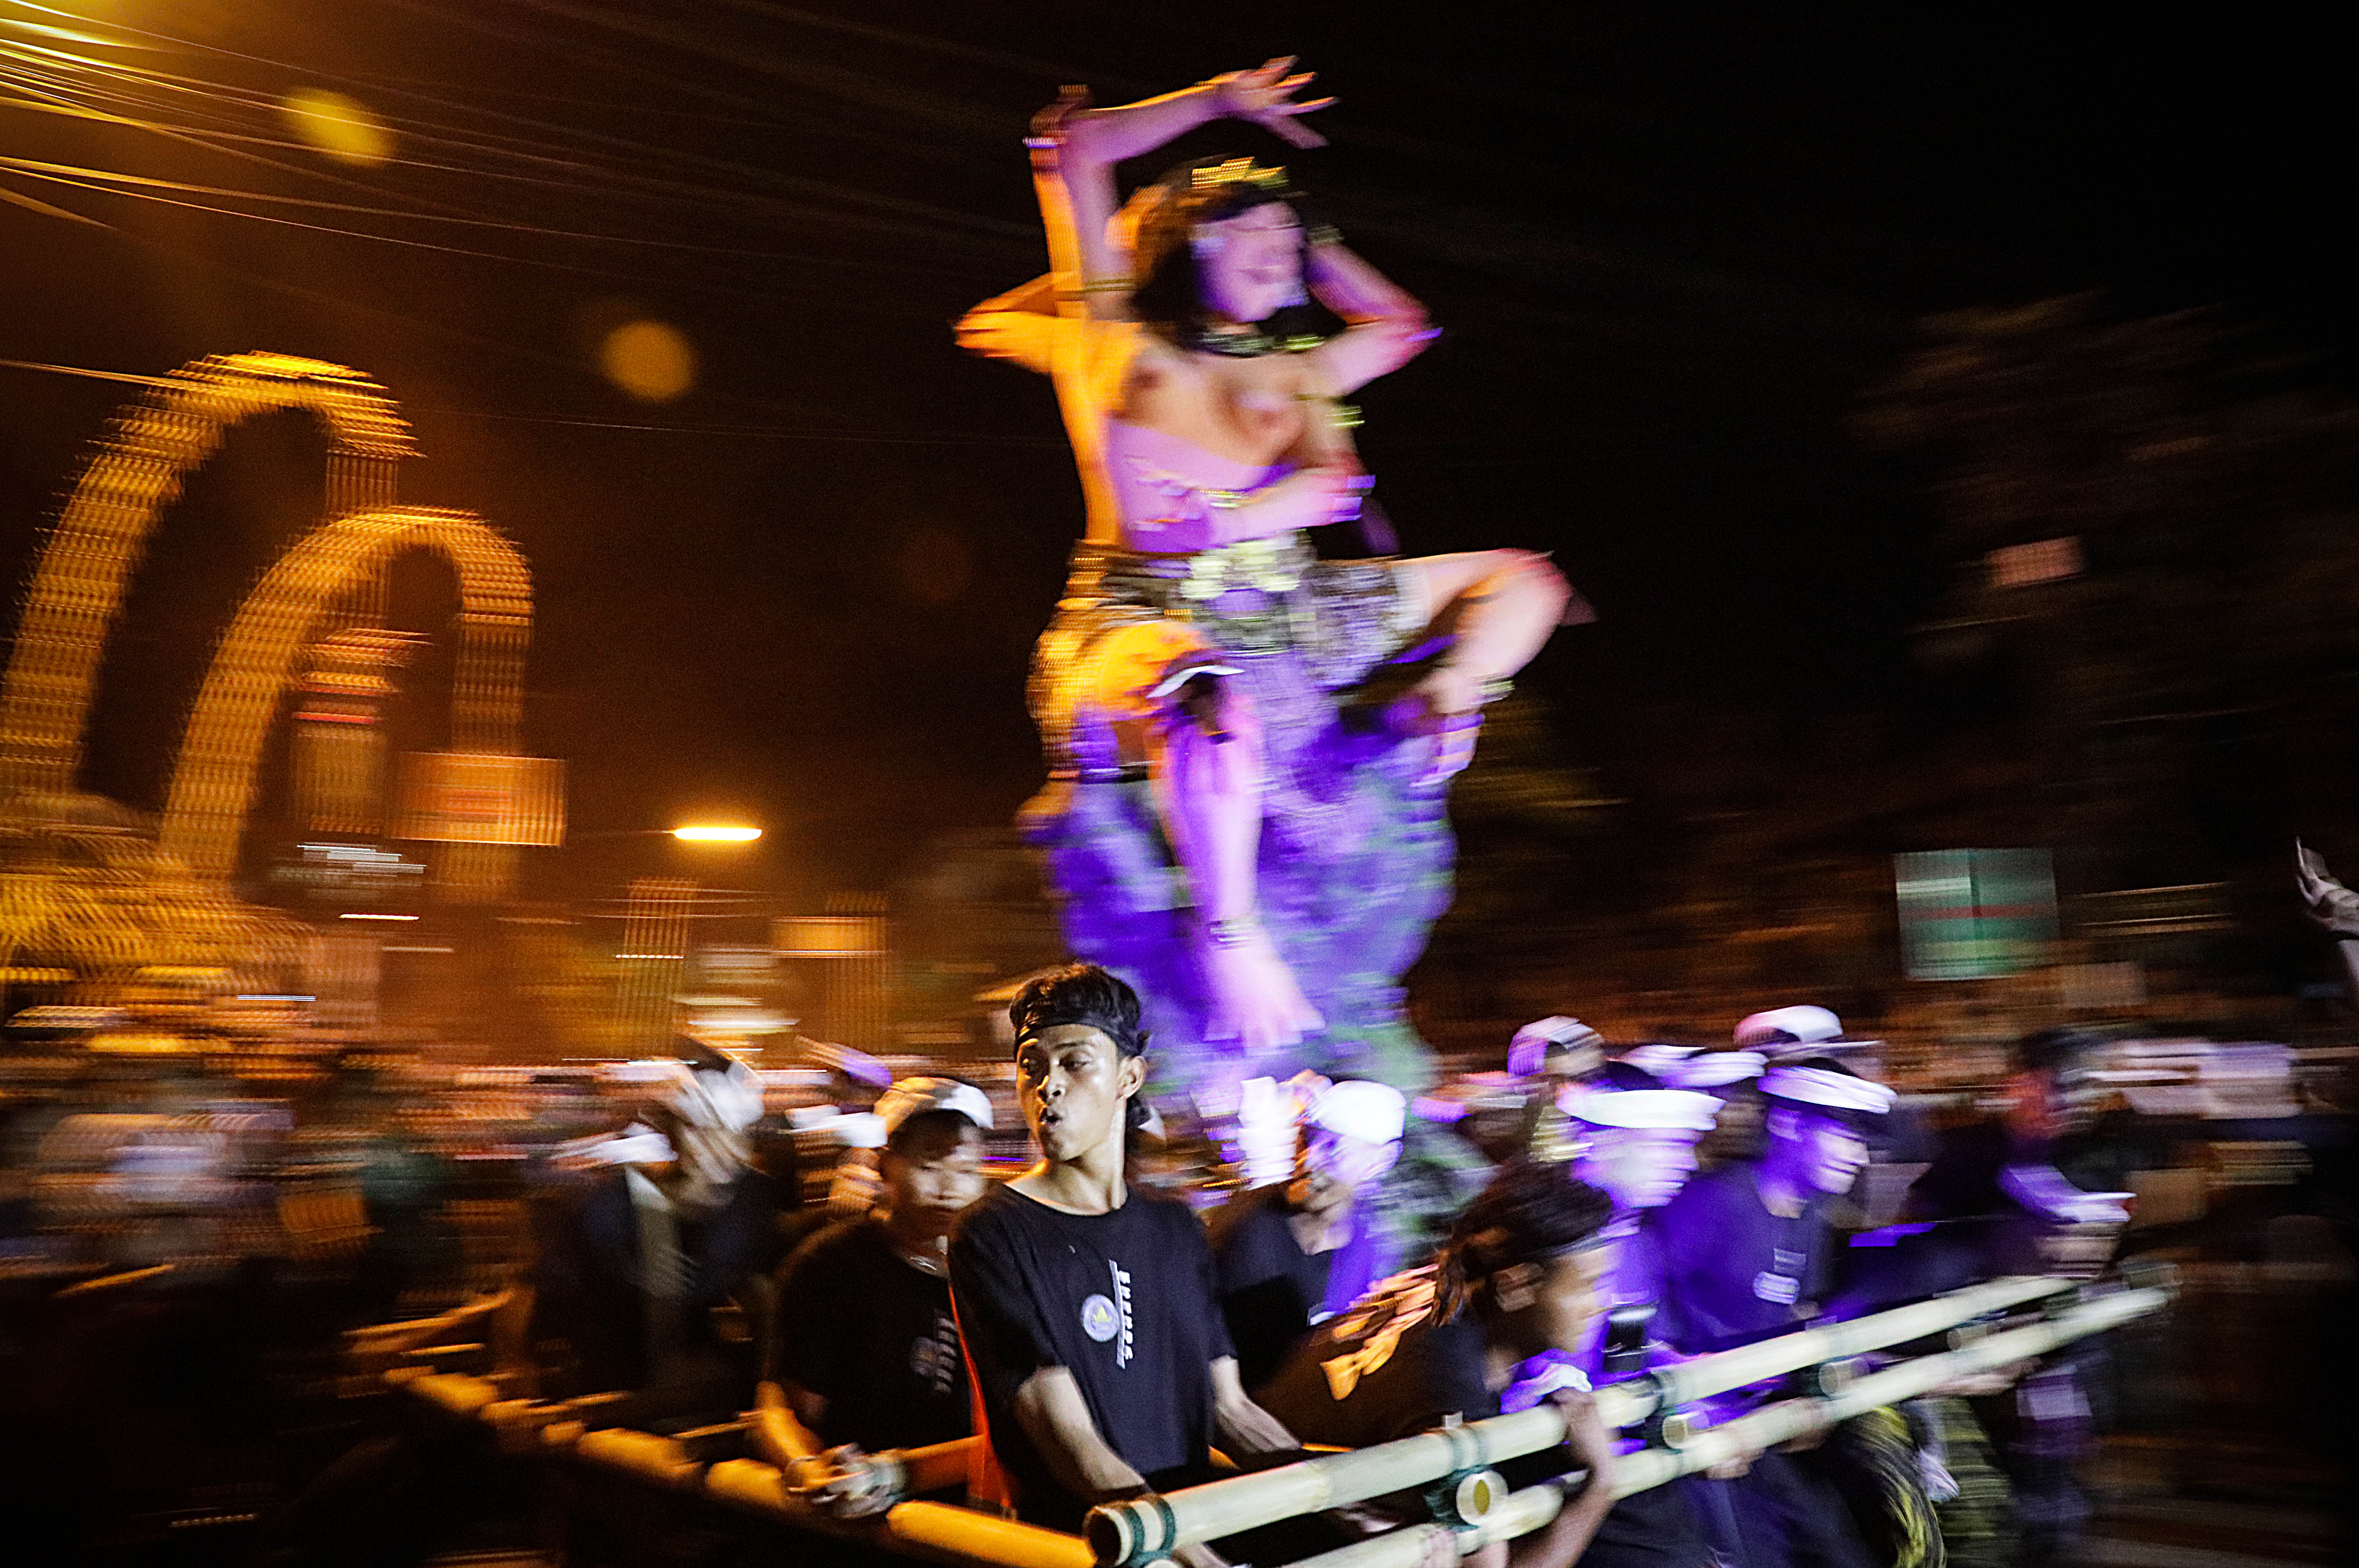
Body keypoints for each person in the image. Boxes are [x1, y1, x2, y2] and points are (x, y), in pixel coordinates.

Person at [958, 59, 1576, 1098]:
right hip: (1140, 610)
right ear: (1192, 242)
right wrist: (1216, 108)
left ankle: (1441, 704)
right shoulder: (1105, 334)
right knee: (1210, 702)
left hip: (1290, 606)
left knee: (1525, 582)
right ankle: (1229, 934)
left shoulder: (1299, 369)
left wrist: (1304, 229)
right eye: (1248, 236)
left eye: (1287, 245)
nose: (1274, 253)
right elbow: (1070, 150)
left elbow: (1401, 330)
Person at [946, 964, 1300, 1545]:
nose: (1048, 1084)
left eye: (1074, 1061)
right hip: (1089, 1546)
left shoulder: (1174, 1227)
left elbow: (1231, 1410)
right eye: (1031, 1064)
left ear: (1128, 1077)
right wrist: (1188, 1554)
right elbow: (1070, 1443)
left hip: (1182, 1533)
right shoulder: (990, 1234)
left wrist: (1345, 1508)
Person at [1255, 1163, 1623, 1568]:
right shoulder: (1447, 1383)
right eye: (1587, 1285)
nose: (1602, 1303)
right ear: (1515, 1285)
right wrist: (1600, 1485)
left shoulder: (1440, 1286)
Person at [1651, 1062, 1895, 1568]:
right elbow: (1644, 1307)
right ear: (1787, 1125)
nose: (1860, 1156)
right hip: (1699, 1434)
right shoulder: (1714, 1202)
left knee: (1836, 1548)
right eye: (1846, 1137)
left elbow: (1796, 1309)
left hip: (1763, 1423)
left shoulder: (1810, 1213)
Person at [772, 1077, 994, 1513]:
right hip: (861, 1516)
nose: (950, 1187)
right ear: (884, 1164)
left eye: (966, 1169)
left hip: (973, 1518)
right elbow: (790, 1408)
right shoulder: (832, 1264)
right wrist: (810, 1466)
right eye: (930, 1165)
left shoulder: (996, 1271)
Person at [526, 1049, 782, 1423]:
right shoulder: (611, 1209)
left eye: (733, 1137)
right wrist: (515, 1367)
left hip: (692, 1399)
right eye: (704, 1134)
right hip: (605, 1400)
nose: (722, 1151)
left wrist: (768, 1386)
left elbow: (764, 1298)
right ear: (675, 1138)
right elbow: (528, 1295)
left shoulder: (746, 1209)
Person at [1207, 1078, 1406, 1390]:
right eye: (1306, 1139)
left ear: (1381, 1160)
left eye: (1335, 1149)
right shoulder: (1249, 1225)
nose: (1309, 1161)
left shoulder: (1364, 1247)